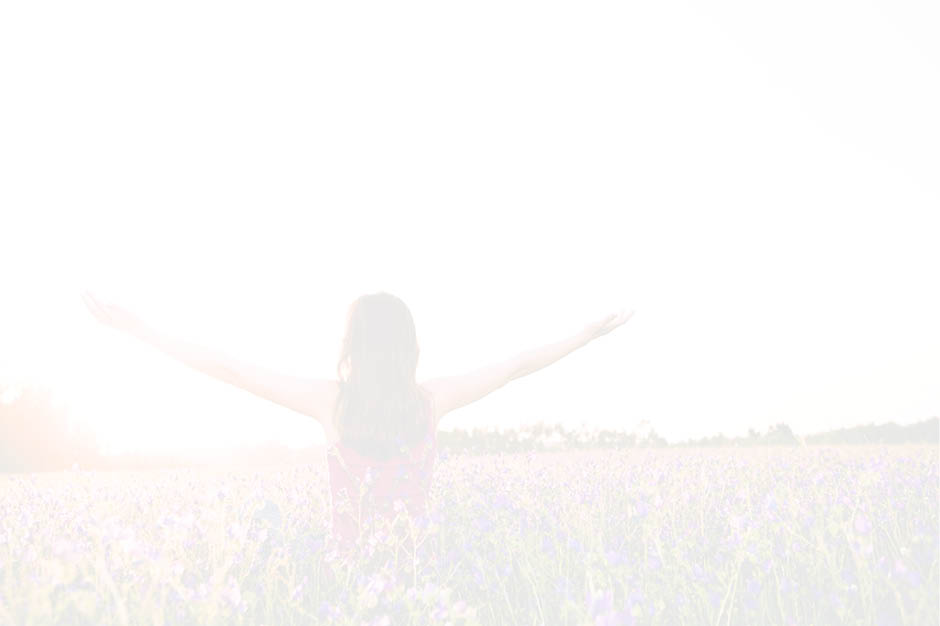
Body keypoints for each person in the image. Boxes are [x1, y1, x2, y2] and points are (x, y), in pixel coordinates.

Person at [82, 290, 634, 551]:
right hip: (418, 582)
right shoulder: (431, 401)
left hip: (347, 587)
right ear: (410, 345)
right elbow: (514, 367)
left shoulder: (332, 404)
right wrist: (586, 334)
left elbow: (231, 369)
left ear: (352, 346)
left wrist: (137, 328)